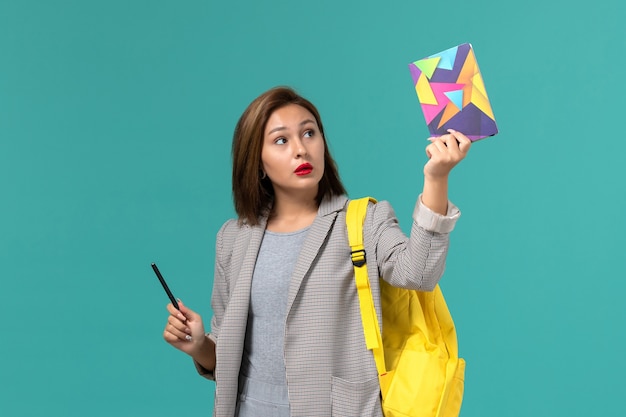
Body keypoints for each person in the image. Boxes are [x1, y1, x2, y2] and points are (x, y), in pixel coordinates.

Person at [163, 86, 471, 417]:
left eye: (309, 133)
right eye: (281, 140)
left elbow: (419, 273)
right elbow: (227, 355)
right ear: (258, 162)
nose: (301, 150)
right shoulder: (233, 238)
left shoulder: (364, 221)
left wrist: (436, 178)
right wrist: (199, 346)